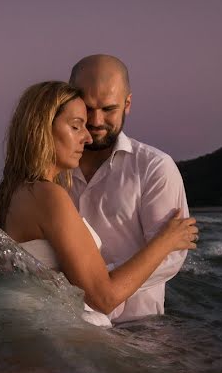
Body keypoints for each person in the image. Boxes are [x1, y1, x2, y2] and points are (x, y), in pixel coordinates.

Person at [0, 81, 197, 324]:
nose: (88, 137)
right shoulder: (48, 196)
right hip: (73, 345)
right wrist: (165, 241)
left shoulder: (14, 192)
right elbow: (104, 298)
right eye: (76, 126)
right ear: (42, 128)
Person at [68, 54, 190, 323]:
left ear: (128, 104)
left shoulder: (155, 167)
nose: (96, 120)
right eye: (87, 108)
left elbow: (171, 256)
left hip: (138, 334)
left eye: (108, 109)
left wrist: (96, 284)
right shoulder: (50, 170)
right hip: (66, 333)